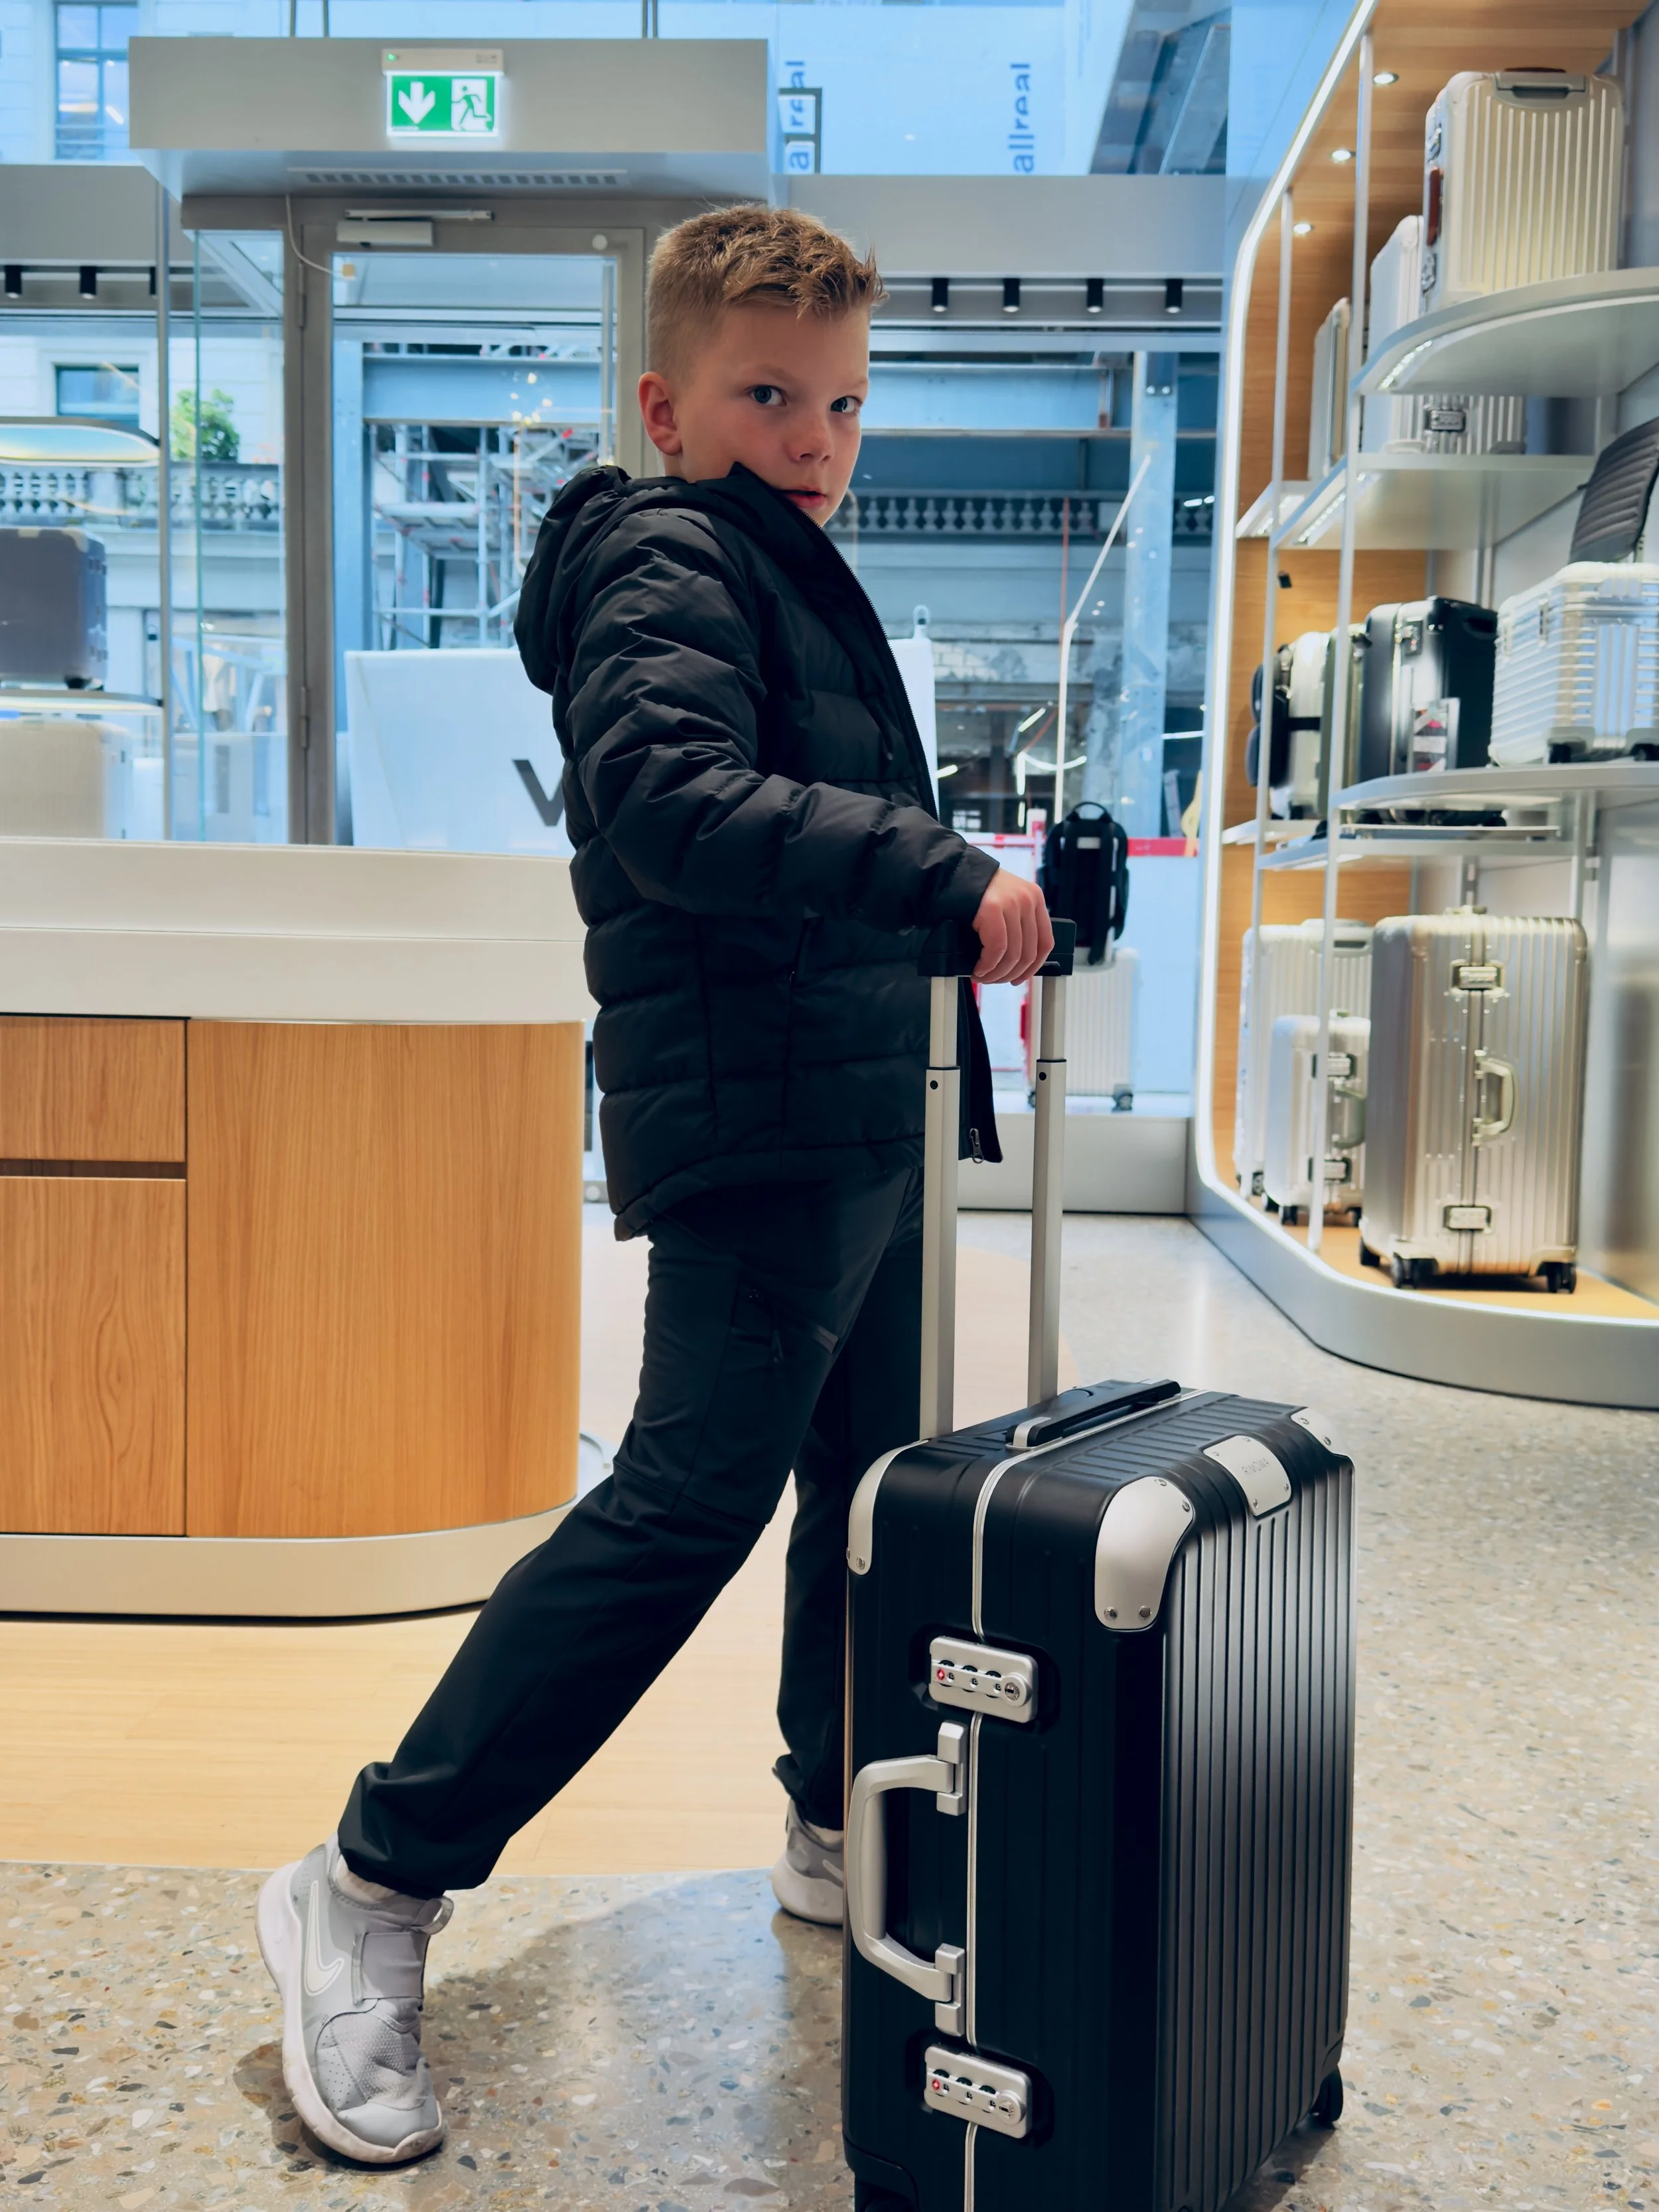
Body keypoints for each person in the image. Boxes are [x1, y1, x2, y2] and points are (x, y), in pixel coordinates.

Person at [255, 204, 1054, 2168]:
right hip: (757, 1126)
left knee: (864, 1499)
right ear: (664, 401)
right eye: (768, 394)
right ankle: (371, 1874)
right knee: (680, 1502)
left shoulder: (776, 561)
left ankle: (825, 1813)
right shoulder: (668, 554)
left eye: (844, 404)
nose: (813, 437)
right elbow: (674, 802)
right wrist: (940, 875)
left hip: (848, 1105)